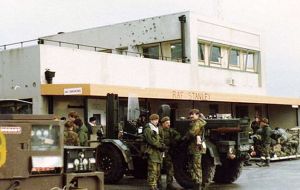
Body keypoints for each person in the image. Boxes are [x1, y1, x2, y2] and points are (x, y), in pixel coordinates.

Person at [182, 109, 207, 190]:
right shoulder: (196, 122)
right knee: (193, 165)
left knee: (196, 166)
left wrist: (185, 137)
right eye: (190, 114)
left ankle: (198, 184)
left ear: (197, 115)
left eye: (193, 114)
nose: (191, 116)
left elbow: (192, 132)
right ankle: (197, 182)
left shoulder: (198, 123)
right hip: (194, 147)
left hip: (196, 147)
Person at [143, 114, 165, 190]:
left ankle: (155, 185)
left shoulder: (157, 128)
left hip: (158, 153)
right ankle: (152, 186)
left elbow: (161, 139)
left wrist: (162, 145)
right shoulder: (148, 129)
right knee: (153, 170)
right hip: (152, 152)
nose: (156, 121)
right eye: (155, 120)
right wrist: (160, 146)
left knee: (158, 171)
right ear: (151, 120)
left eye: (157, 120)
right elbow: (151, 141)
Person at [160, 116, 181, 190]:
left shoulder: (170, 130)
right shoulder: (159, 131)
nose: (168, 124)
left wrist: (174, 140)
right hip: (160, 152)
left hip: (168, 152)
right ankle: (158, 184)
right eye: (167, 123)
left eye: (169, 123)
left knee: (170, 168)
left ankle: (169, 184)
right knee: (158, 169)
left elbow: (178, 135)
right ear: (162, 124)